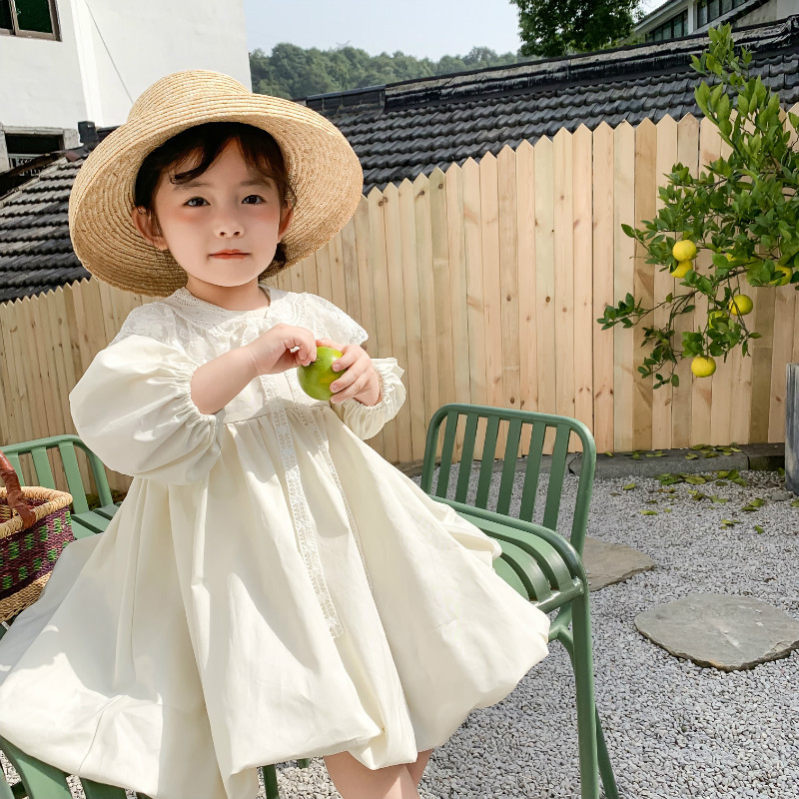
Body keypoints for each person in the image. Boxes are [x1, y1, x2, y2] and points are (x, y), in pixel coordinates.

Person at [0, 71, 550, 799]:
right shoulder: (160, 330)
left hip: (341, 529)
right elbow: (136, 422)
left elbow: (365, 399)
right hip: (226, 549)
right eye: (195, 200)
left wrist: (362, 377)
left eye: (249, 198)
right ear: (150, 224)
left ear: (282, 213)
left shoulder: (311, 311)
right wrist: (250, 357)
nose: (226, 222)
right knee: (295, 684)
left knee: (394, 665)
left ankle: (390, 762)